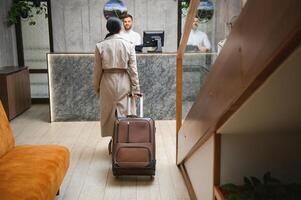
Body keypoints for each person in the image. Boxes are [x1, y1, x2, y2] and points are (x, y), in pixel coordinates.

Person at [93, 17, 140, 140]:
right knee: (126, 112)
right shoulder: (129, 45)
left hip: (106, 81)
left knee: (108, 113)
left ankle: (114, 140)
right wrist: (136, 89)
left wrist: (96, 87)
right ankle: (124, 140)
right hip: (124, 79)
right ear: (120, 29)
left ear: (108, 28)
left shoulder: (100, 46)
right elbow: (133, 70)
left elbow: (97, 70)